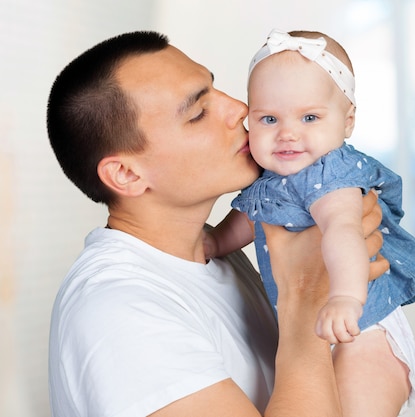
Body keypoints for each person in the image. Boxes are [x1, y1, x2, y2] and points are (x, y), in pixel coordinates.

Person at [46, 30, 388, 417]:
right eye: (198, 113)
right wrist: (307, 303)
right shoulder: (118, 315)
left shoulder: (217, 250)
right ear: (126, 174)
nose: (240, 109)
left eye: (215, 88)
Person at [205, 29, 415, 416]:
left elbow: (343, 232)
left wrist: (345, 298)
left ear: (347, 121)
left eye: (310, 117)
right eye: (269, 118)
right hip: (317, 329)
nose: (287, 133)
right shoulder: (271, 177)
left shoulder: (331, 175)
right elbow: (251, 219)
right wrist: (214, 243)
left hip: (366, 328)